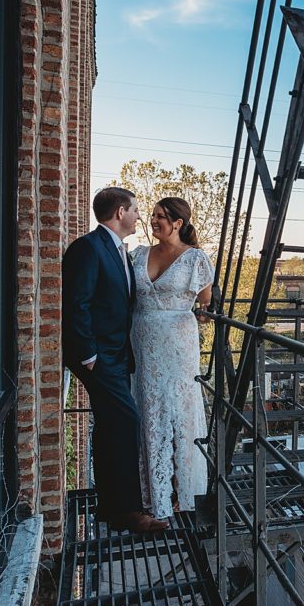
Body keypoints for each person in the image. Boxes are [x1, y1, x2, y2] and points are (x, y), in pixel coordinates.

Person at [63, 187, 169, 533]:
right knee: (127, 422)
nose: (139, 216)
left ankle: (109, 508)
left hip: (118, 356)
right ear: (120, 212)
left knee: (110, 428)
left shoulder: (119, 251)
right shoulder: (87, 248)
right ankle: (130, 512)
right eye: (136, 209)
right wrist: (88, 355)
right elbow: (76, 302)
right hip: (99, 357)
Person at [129, 197, 214, 521]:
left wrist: (204, 315)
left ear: (178, 223)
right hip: (144, 345)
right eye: (152, 215)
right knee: (149, 408)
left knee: (180, 409)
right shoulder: (138, 254)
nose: (154, 221)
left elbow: (205, 303)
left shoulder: (195, 259)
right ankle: (153, 494)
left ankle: (185, 491)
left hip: (179, 345)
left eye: (161, 217)